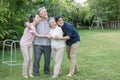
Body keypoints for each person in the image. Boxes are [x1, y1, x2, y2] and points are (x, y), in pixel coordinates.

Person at [20, 14, 45, 79]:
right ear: (33, 19)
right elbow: (36, 35)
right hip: (24, 44)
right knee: (27, 59)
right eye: (37, 17)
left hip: (30, 45)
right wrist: (46, 35)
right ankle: (24, 74)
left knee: (31, 59)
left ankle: (30, 73)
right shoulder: (30, 26)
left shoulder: (34, 26)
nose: (39, 18)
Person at [33, 7, 51, 77]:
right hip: (38, 43)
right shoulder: (37, 21)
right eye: (44, 12)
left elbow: (56, 25)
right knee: (37, 59)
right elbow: (28, 24)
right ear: (40, 14)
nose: (45, 12)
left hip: (47, 43)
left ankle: (46, 71)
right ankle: (36, 73)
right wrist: (26, 24)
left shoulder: (49, 21)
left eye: (46, 11)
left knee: (47, 59)